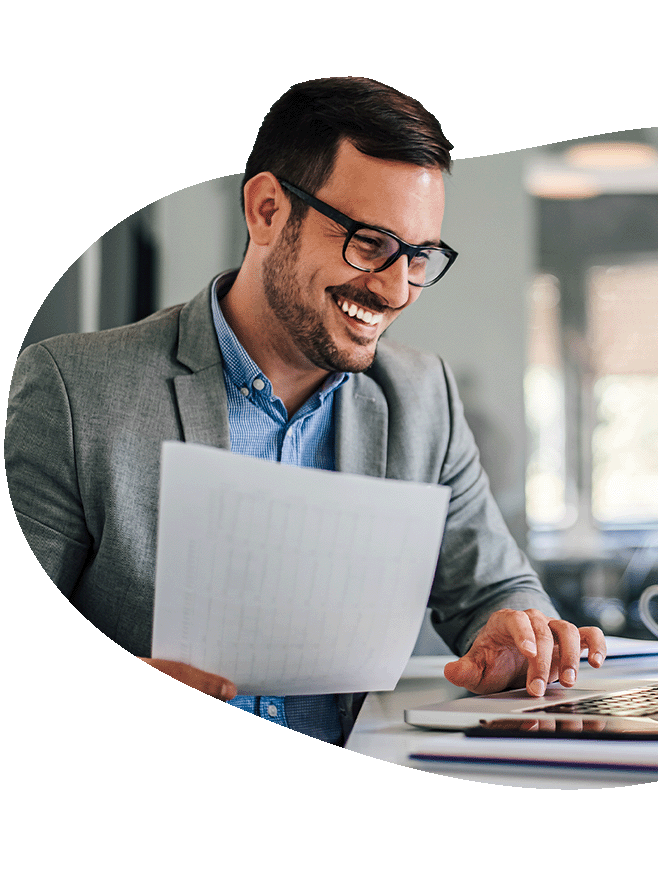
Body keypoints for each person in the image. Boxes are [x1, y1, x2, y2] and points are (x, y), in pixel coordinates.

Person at [5, 77, 605, 744]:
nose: (396, 288)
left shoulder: (420, 395)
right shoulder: (73, 389)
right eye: (370, 243)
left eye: (419, 256)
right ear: (266, 210)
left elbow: (494, 586)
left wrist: (515, 629)